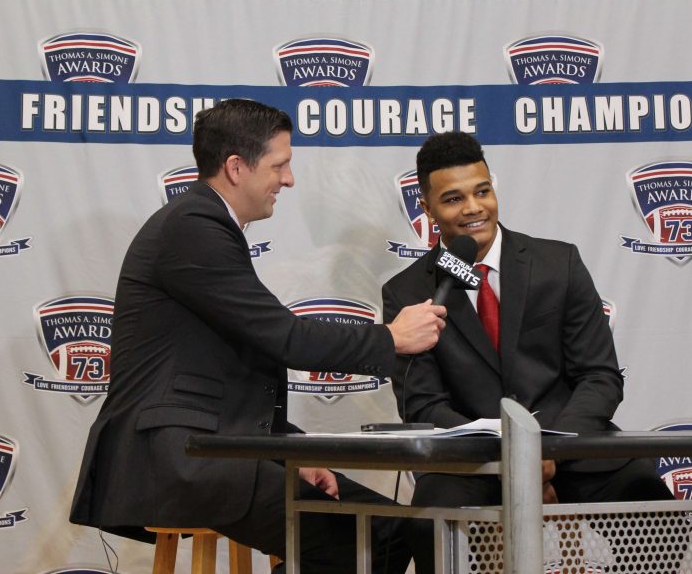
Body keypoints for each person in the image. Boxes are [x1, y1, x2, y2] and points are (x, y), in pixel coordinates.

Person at [69, 99, 447, 573]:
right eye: (280, 164)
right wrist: (390, 338)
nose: (289, 179)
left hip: (219, 448)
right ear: (235, 168)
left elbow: (234, 376)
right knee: (370, 536)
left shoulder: (206, 227)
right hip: (180, 457)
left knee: (394, 530)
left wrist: (292, 453)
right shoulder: (193, 227)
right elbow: (284, 338)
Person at [381, 131, 675, 574]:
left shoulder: (559, 264)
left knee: (654, 510)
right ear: (426, 208)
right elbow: (423, 404)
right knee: (429, 524)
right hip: (473, 461)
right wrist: (507, 454)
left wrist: (545, 451)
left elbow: (599, 377)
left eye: (482, 191)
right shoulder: (408, 292)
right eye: (454, 198)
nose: (474, 208)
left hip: (570, 446)